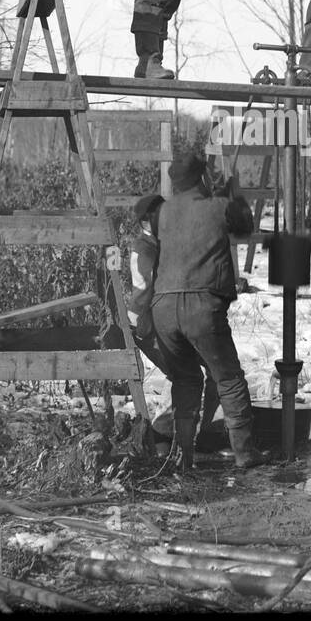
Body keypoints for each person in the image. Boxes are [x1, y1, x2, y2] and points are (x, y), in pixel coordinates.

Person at [150, 154, 266, 469]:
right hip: (199, 307)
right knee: (228, 379)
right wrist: (233, 195)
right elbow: (245, 227)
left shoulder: (162, 212)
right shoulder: (217, 207)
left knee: (186, 381)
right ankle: (244, 454)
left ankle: (184, 457)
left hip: (162, 307)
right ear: (203, 178)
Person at [128, 193, 220, 460]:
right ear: (148, 220)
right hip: (153, 326)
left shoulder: (164, 243)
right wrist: (137, 324)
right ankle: (178, 442)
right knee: (189, 376)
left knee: (211, 372)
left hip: (178, 322)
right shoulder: (144, 248)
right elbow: (143, 290)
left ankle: (192, 434)